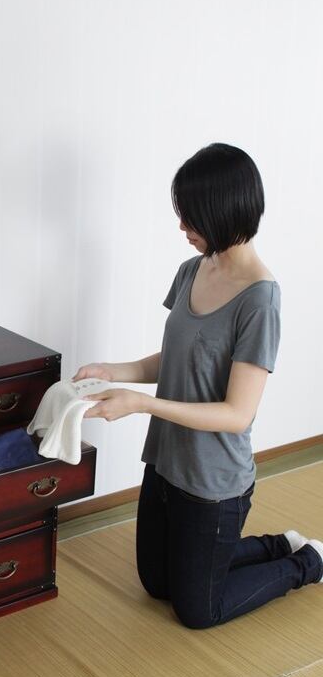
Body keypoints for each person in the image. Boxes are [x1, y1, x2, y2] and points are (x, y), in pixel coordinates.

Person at [72, 142, 323, 629]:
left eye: (191, 217)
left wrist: (142, 403)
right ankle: (277, 544)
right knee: (156, 583)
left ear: (223, 211)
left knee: (197, 611)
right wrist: (113, 371)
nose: (182, 228)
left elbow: (237, 414)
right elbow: (179, 358)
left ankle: (305, 562)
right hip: (167, 463)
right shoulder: (192, 270)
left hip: (213, 482)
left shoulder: (260, 300)